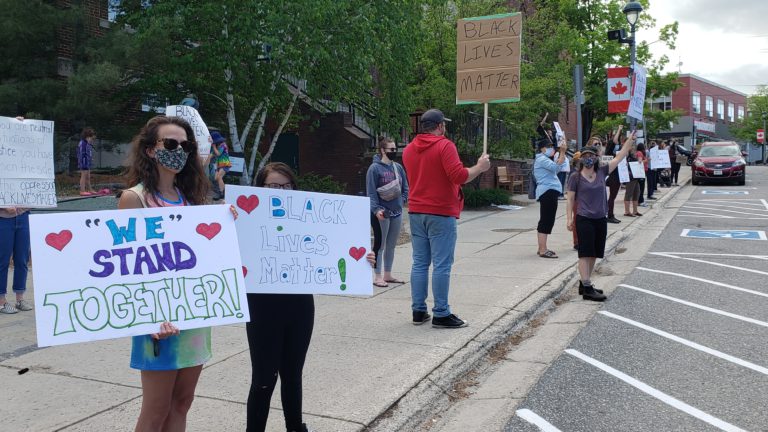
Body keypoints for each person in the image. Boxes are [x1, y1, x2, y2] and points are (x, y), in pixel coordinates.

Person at [247, 162, 375, 432]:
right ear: (260, 188)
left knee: (293, 375)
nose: (281, 191)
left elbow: (335, 248)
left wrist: (363, 260)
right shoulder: (246, 222)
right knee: (263, 378)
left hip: (299, 305)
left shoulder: (309, 219)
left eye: (286, 186)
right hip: (262, 306)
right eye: (273, 186)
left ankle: (295, 427)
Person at [120, 116, 220, 431]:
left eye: (186, 146)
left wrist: (226, 222)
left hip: (193, 317)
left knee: (182, 403)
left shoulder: (191, 200)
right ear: (151, 150)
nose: (179, 151)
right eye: (171, 143)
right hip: (156, 323)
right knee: (155, 410)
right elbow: (125, 268)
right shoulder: (134, 198)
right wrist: (146, 318)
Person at [403, 108, 490, 328]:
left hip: (416, 211)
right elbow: (459, 176)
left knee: (420, 263)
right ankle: (441, 312)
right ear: (440, 126)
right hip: (440, 212)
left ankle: (418, 310)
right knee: (442, 264)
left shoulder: (409, 150)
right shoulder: (445, 146)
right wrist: (480, 167)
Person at [566, 132, 635, 302]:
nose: (589, 158)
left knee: (594, 253)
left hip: (600, 218)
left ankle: (585, 283)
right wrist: (569, 219)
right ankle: (587, 287)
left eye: (591, 155)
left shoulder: (603, 172)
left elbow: (619, 157)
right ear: (581, 158)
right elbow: (570, 199)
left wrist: (628, 141)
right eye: (585, 156)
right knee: (585, 253)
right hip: (584, 219)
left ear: (597, 158)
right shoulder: (575, 177)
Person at [366, 136, 409, 288]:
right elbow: (371, 193)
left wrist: (402, 200)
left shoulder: (398, 167)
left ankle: (388, 274)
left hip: (396, 212)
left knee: (391, 245)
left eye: (395, 149)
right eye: (391, 149)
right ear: (383, 150)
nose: (394, 151)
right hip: (382, 214)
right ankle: (377, 276)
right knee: (380, 244)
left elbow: (405, 187)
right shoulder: (374, 169)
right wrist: (376, 210)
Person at [533, 135, 568, 259]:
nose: (551, 149)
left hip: (550, 191)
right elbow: (556, 167)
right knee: (546, 220)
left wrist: (562, 155)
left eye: (552, 147)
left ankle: (542, 247)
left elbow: (555, 169)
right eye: (548, 147)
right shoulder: (542, 159)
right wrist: (562, 152)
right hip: (547, 192)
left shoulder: (544, 159)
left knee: (547, 219)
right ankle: (542, 249)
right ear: (542, 149)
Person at [0, 206, 33, 314]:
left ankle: (20, 299)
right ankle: (1, 302)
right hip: (3, 218)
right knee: (2, 260)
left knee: (22, 259)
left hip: (23, 215)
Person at [604, 126, 624, 224]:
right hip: (613, 176)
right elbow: (615, 141)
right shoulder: (609, 152)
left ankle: (609, 214)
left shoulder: (613, 152)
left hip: (616, 175)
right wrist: (619, 129)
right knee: (612, 197)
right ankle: (610, 215)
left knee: (612, 197)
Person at [210, 131, 232, 200]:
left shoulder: (223, 145)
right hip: (219, 165)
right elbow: (213, 154)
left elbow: (218, 153)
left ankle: (222, 193)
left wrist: (213, 147)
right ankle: (223, 191)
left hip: (225, 163)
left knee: (219, 177)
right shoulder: (218, 146)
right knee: (216, 178)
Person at [77, 128, 97, 196]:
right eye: (90, 138)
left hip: (87, 161)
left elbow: (89, 152)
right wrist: (83, 161)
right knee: (83, 176)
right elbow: (81, 153)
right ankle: (82, 190)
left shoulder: (88, 143)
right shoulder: (83, 143)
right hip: (83, 161)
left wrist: (90, 158)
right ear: (87, 136)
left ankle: (90, 189)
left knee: (88, 176)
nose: (91, 140)